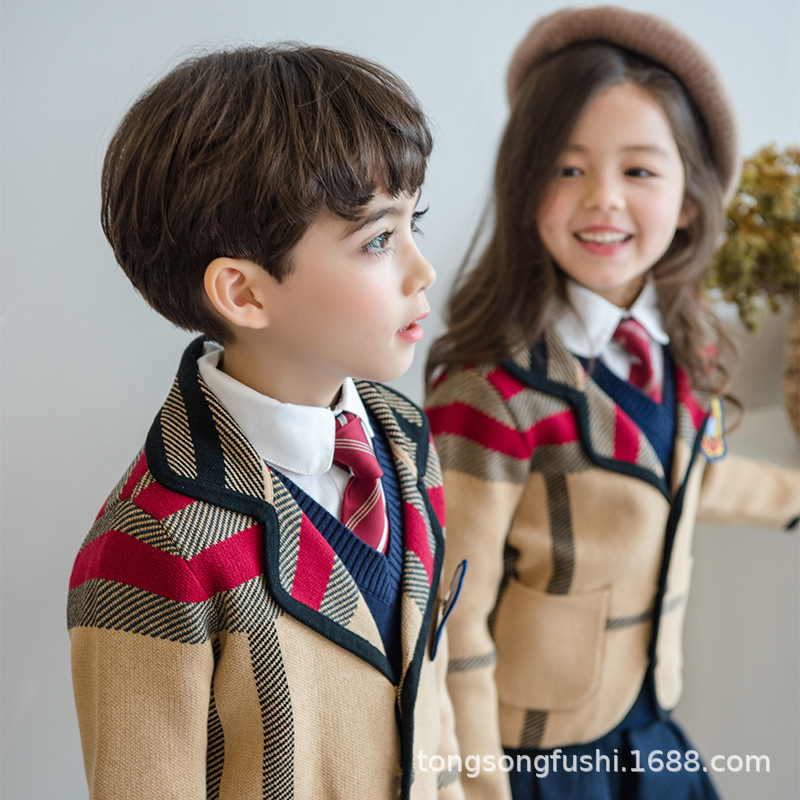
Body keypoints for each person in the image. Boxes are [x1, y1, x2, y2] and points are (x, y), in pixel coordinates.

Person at [68, 44, 465, 800]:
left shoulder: (407, 441)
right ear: (245, 294)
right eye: (379, 240)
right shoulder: (150, 544)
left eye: (413, 222)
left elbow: (435, 714)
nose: (423, 270)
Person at [424, 7, 800, 800]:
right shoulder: (489, 390)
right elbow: (452, 621)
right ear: (525, 186)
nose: (602, 199)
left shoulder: (679, 347)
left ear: (690, 199)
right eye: (568, 169)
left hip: (647, 727)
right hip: (536, 761)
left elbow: (686, 477)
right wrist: (477, 787)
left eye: (639, 171)